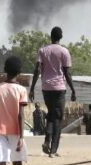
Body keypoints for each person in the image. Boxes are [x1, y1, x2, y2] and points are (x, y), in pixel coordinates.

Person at [29, 26, 76, 158]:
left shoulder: (43, 50)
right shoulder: (64, 52)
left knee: (51, 115)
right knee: (58, 119)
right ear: (60, 37)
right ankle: (53, 150)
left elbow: (37, 70)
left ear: (51, 36)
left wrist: (32, 88)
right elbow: (67, 73)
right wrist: (73, 89)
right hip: (59, 89)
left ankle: (46, 141)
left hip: (46, 88)